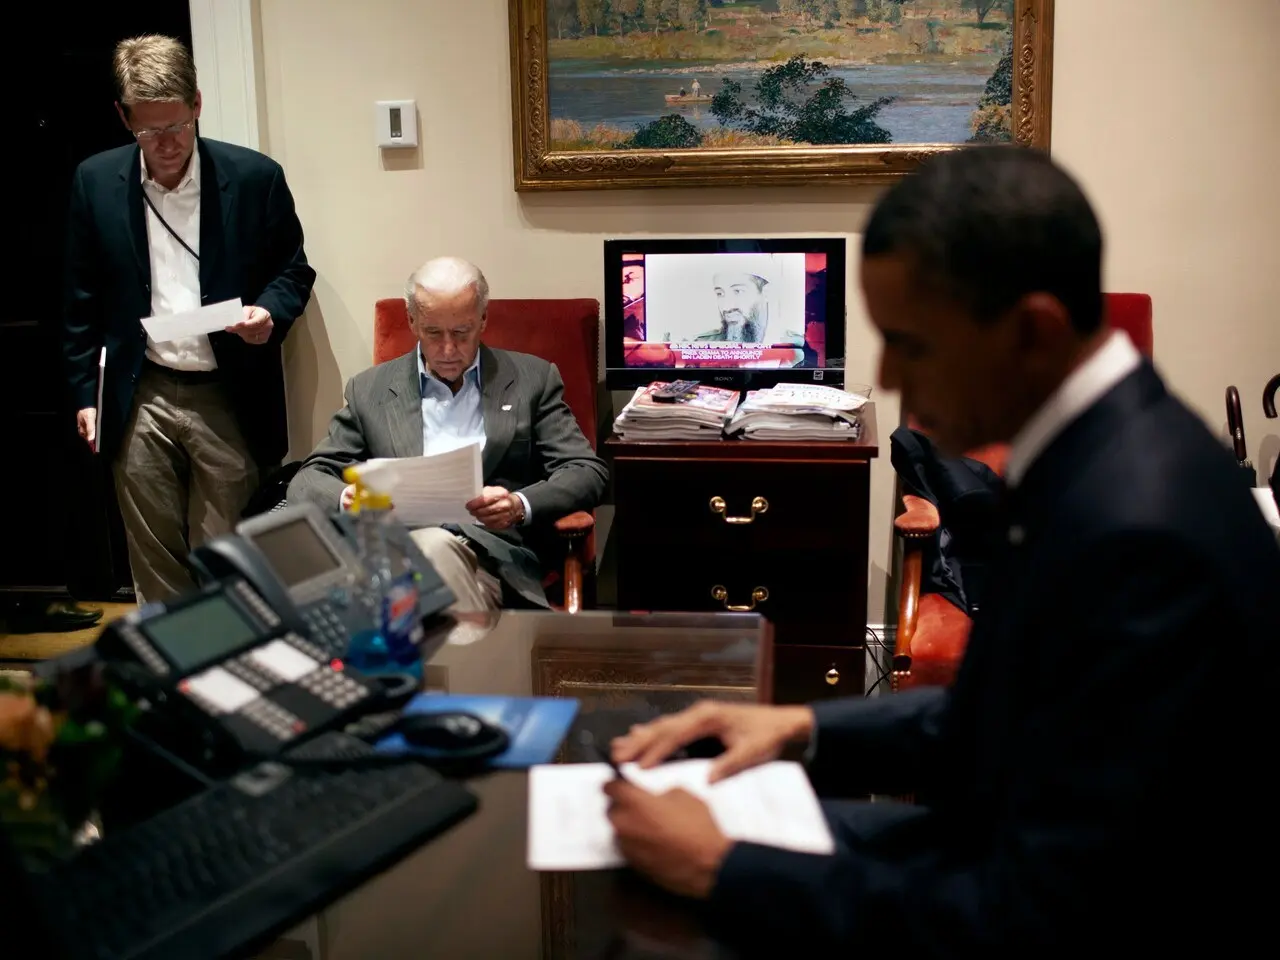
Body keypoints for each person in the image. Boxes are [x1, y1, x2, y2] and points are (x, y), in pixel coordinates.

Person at [603, 147, 1280, 955]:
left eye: (911, 343)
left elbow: (1044, 920)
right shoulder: (1102, 448)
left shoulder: (1140, 533)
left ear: (1032, 330)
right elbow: (1019, 709)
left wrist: (722, 867)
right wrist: (797, 729)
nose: (887, 374)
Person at [62, 35, 315, 605]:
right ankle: (175, 678)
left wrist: (266, 313)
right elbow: (80, 299)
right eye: (149, 131)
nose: (167, 144)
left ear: (197, 104)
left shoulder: (254, 179)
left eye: (176, 125)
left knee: (229, 553)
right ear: (124, 118)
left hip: (226, 388)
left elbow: (293, 271)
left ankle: (234, 674)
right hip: (139, 388)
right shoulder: (96, 182)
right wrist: (85, 394)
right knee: (152, 552)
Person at [287, 257, 607, 611]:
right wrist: (348, 497)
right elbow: (307, 480)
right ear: (412, 322)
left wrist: (519, 506)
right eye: (433, 332)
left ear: (483, 319)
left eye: (461, 332)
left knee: (432, 558)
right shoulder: (370, 390)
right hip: (393, 552)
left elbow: (586, 472)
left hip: (489, 557)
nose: (448, 350)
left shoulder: (531, 380)